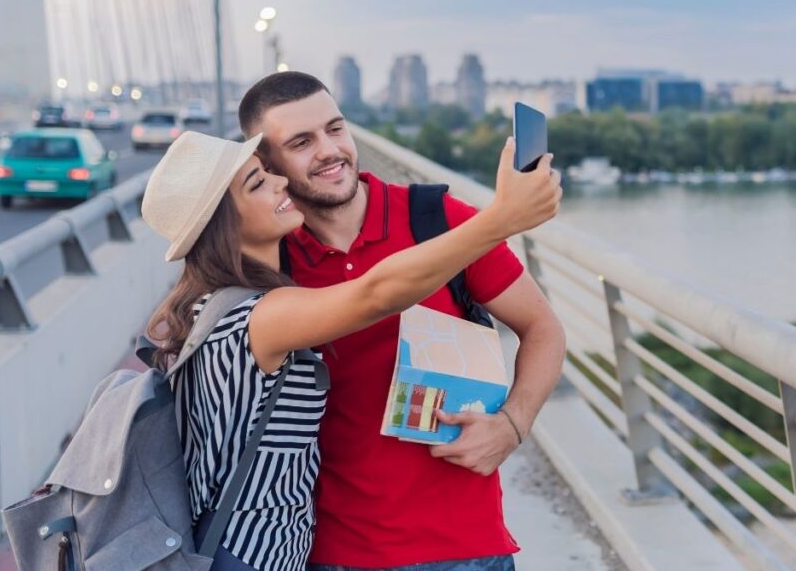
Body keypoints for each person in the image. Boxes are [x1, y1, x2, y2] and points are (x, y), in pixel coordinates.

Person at [141, 128, 561, 571]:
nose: (281, 182)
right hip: (254, 556)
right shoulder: (255, 317)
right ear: (224, 224)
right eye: (258, 183)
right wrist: (500, 219)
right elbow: (376, 294)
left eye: (267, 172)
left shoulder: (222, 305)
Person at [238, 72, 567, 571]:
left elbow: (543, 328)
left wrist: (513, 424)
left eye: (336, 128)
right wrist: (502, 215)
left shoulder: (437, 219)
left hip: (466, 546)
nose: (330, 151)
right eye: (302, 142)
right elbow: (378, 293)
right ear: (266, 164)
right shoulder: (270, 264)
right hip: (334, 552)